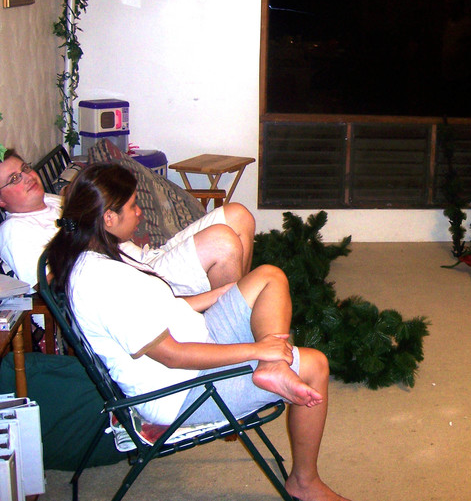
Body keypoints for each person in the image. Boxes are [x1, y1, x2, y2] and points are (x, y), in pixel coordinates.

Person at [45, 163, 350, 501]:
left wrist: (226, 292)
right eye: (132, 205)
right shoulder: (104, 282)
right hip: (180, 390)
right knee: (314, 365)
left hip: (199, 335)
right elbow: (173, 356)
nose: (139, 211)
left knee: (269, 276)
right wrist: (257, 350)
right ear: (108, 218)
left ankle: (273, 371)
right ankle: (304, 483)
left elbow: (168, 306)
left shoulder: (104, 250)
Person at [0, 148, 254, 294]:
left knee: (238, 215)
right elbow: (45, 288)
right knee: (223, 242)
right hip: (134, 278)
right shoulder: (14, 230)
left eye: (24, 168)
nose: (26, 177)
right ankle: (230, 324)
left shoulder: (54, 200)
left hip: (145, 257)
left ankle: (239, 303)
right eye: (13, 179)